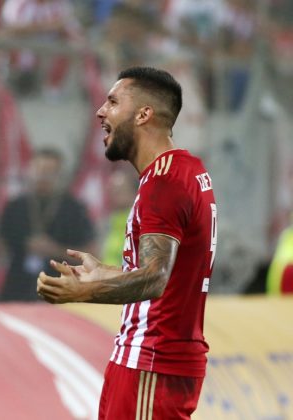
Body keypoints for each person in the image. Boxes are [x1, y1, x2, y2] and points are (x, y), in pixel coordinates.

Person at [37, 67, 218, 419]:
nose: (100, 111)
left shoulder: (164, 184)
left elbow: (155, 277)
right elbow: (170, 272)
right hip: (146, 360)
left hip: (152, 361)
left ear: (143, 114)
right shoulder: (184, 170)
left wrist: (85, 291)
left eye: (113, 101)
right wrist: (104, 272)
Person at [0, 147, 96, 302]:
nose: (43, 177)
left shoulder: (73, 209)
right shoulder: (15, 206)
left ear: (59, 175)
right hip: (17, 290)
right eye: (39, 171)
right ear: (29, 172)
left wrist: (54, 249)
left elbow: (91, 256)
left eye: (49, 173)